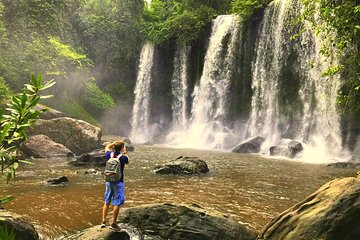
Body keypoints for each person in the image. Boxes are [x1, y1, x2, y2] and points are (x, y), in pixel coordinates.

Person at [101, 140, 129, 229]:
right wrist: (125, 152)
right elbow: (128, 160)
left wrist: (113, 143)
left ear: (114, 147)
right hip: (118, 182)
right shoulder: (123, 158)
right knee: (117, 203)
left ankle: (103, 221)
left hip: (109, 181)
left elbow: (106, 147)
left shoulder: (110, 155)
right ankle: (113, 223)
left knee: (107, 201)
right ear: (121, 148)